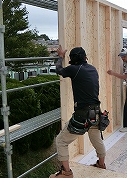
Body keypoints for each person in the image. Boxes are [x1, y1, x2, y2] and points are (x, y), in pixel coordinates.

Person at [49, 45, 106, 178]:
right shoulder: (93, 69)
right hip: (96, 112)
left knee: (61, 141)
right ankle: (101, 164)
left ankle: (66, 173)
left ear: (73, 60)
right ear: (85, 58)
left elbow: (59, 70)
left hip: (83, 114)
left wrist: (60, 56)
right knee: (97, 139)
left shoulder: (74, 69)